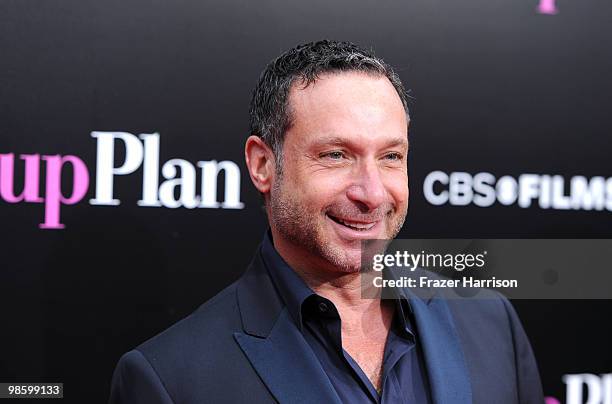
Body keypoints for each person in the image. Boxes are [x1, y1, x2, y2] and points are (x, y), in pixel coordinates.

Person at [109, 40, 544, 404]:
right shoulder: (171, 380)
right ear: (263, 165)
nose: (371, 192)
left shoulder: (489, 322)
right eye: (336, 155)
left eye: (391, 157)